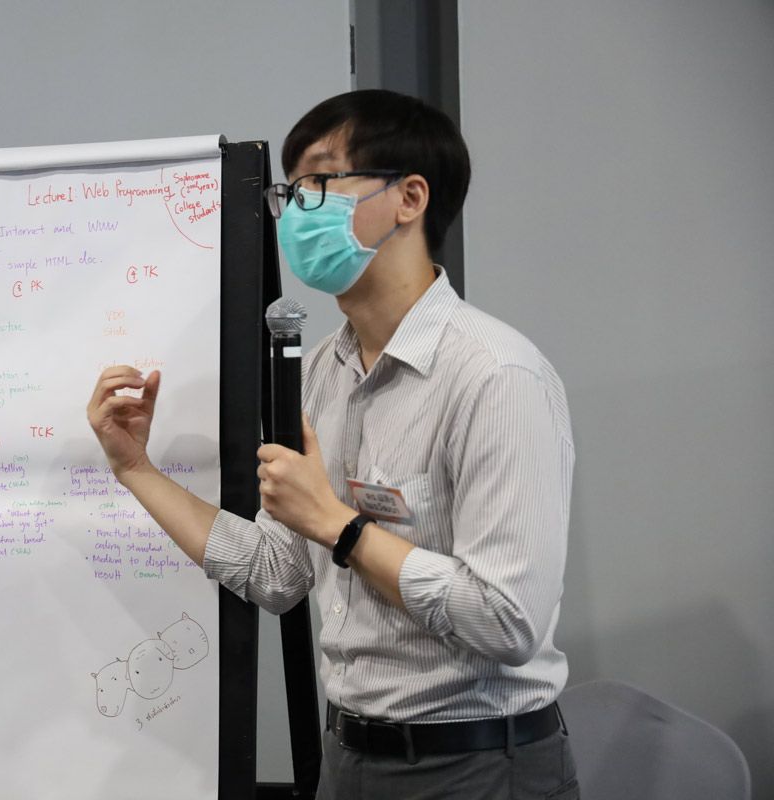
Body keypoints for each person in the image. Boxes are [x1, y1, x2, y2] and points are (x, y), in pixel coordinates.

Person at [87, 89, 578, 799]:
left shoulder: (496, 376)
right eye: (290, 191)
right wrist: (135, 469)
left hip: (478, 763)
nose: (296, 210)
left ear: (409, 197)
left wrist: (338, 527)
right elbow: (276, 572)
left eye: (320, 181)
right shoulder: (320, 371)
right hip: (349, 758)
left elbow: (508, 620)